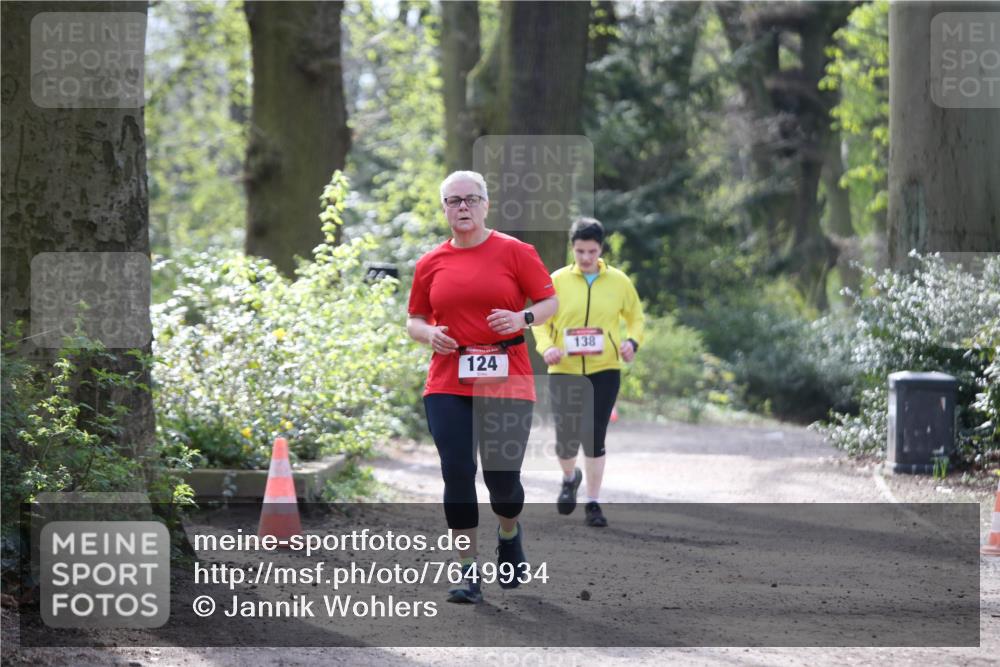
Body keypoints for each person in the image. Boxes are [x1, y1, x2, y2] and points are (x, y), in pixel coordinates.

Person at [406, 170, 558, 603]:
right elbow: (414, 318)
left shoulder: (515, 252)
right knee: (456, 472)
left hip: (506, 378)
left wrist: (522, 319)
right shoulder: (430, 262)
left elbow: (550, 302)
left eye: (471, 199)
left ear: (486, 204)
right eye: (454, 201)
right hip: (448, 379)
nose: (463, 208)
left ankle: (509, 533)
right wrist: (427, 334)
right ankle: (467, 570)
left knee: (502, 481)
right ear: (444, 210)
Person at [532, 217, 644, 528]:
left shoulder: (619, 282)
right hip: (564, 369)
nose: (585, 258)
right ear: (572, 248)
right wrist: (546, 349)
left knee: (594, 435)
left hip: (604, 369)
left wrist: (632, 342)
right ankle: (570, 477)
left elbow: (636, 318)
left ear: (601, 249)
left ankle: (593, 502)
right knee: (566, 440)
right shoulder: (555, 280)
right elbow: (540, 322)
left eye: (591, 251)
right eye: (579, 251)